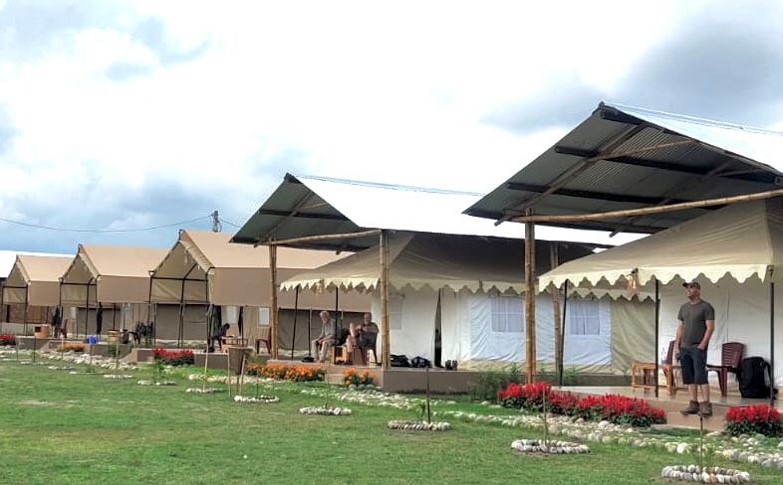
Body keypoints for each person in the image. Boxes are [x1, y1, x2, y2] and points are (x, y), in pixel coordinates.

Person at [676, 281, 715, 417]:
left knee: (700, 376)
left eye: (691, 287)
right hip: (684, 347)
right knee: (689, 376)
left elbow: (710, 328)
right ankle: (693, 403)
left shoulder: (706, 307)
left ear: (698, 290)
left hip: (697, 347)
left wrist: (702, 345)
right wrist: (677, 345)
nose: (688, 290)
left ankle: (706, 404)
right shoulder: (683, 308)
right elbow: (680, 328)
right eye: (687, 288)